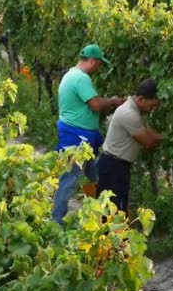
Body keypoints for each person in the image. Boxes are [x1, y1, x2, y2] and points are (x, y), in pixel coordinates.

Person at [51, 44, 126, 223]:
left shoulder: (70, 75)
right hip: (77, 140)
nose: (99, 68)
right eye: (99, 64)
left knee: (96, 176)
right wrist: (114, 102)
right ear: (92, 61)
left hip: (81, 138)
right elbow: (96, 105)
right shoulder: (81, 78)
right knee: (69, 178)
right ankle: (56, 221)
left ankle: (98, 213)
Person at [97, 79, 163, 213]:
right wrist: (170, 140)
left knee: (112, 208)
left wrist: (169, 137)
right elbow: (148, 142)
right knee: (115, 210)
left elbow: (147, 131)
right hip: (114, 167)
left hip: (114, 165)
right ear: (141, 99)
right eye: (152, 105)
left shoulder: (134, 110)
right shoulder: (129, 114)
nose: (153, 109)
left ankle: (111, 233)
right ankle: (115, 234)